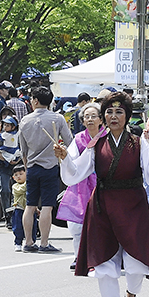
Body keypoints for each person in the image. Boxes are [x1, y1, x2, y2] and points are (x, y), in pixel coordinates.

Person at [61, 93, 149, 297]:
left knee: (137, 260)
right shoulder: (95, 144)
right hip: (102, 204)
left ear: (127, 116)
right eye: (109, 112)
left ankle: (131, 293)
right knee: (103, 256)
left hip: (133, 203)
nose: (113, 116)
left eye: (119, 112)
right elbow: (77, 172)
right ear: (103, 117)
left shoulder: (139, 144)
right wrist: (64, 159)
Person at [18, 86, 72, 253]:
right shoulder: (58, 118)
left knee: (30, 205)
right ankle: (44, 243)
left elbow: (23, 150)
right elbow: (70, 142)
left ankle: (27, 241)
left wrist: (27, 166)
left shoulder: (25, 121)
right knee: (47, 206)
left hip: (32, 167)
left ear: (35, 100)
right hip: (50, 166)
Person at [57, 102, 102, 256]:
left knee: (102, 223)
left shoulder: (108, 137)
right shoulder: (78, 139)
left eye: (93, 116)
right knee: (77, 225)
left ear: (101, 120)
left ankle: (102, 256)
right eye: (86, 117)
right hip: (81, 185)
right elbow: (72, 163)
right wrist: (64, 157)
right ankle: (79, 257)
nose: (90, 119)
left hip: (102, 184)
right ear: (82, 121)